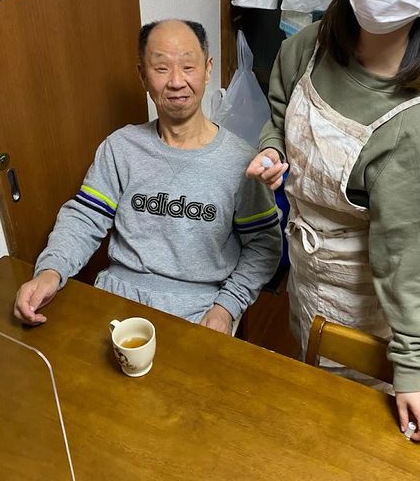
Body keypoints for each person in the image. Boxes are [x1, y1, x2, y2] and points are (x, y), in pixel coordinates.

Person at [247, 0, 420, 440]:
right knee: (302, 392)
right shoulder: (312, 46)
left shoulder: (413, 119)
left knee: (342, 427)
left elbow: (412, 253)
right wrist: (275, 151)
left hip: (362, 307)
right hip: (303, 277)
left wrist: (411, 371)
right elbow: (279, 112)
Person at [15, 19, 281, 335]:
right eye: (161, 68)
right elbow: (85, 218)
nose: (177, 81)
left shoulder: (240, 160)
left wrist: (227, 307)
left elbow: (264, 245)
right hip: (117, 299)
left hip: (201, 309)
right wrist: (51, 271)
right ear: (142, 75)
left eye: (188, 67)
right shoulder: (121, 147)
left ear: (208, 69)